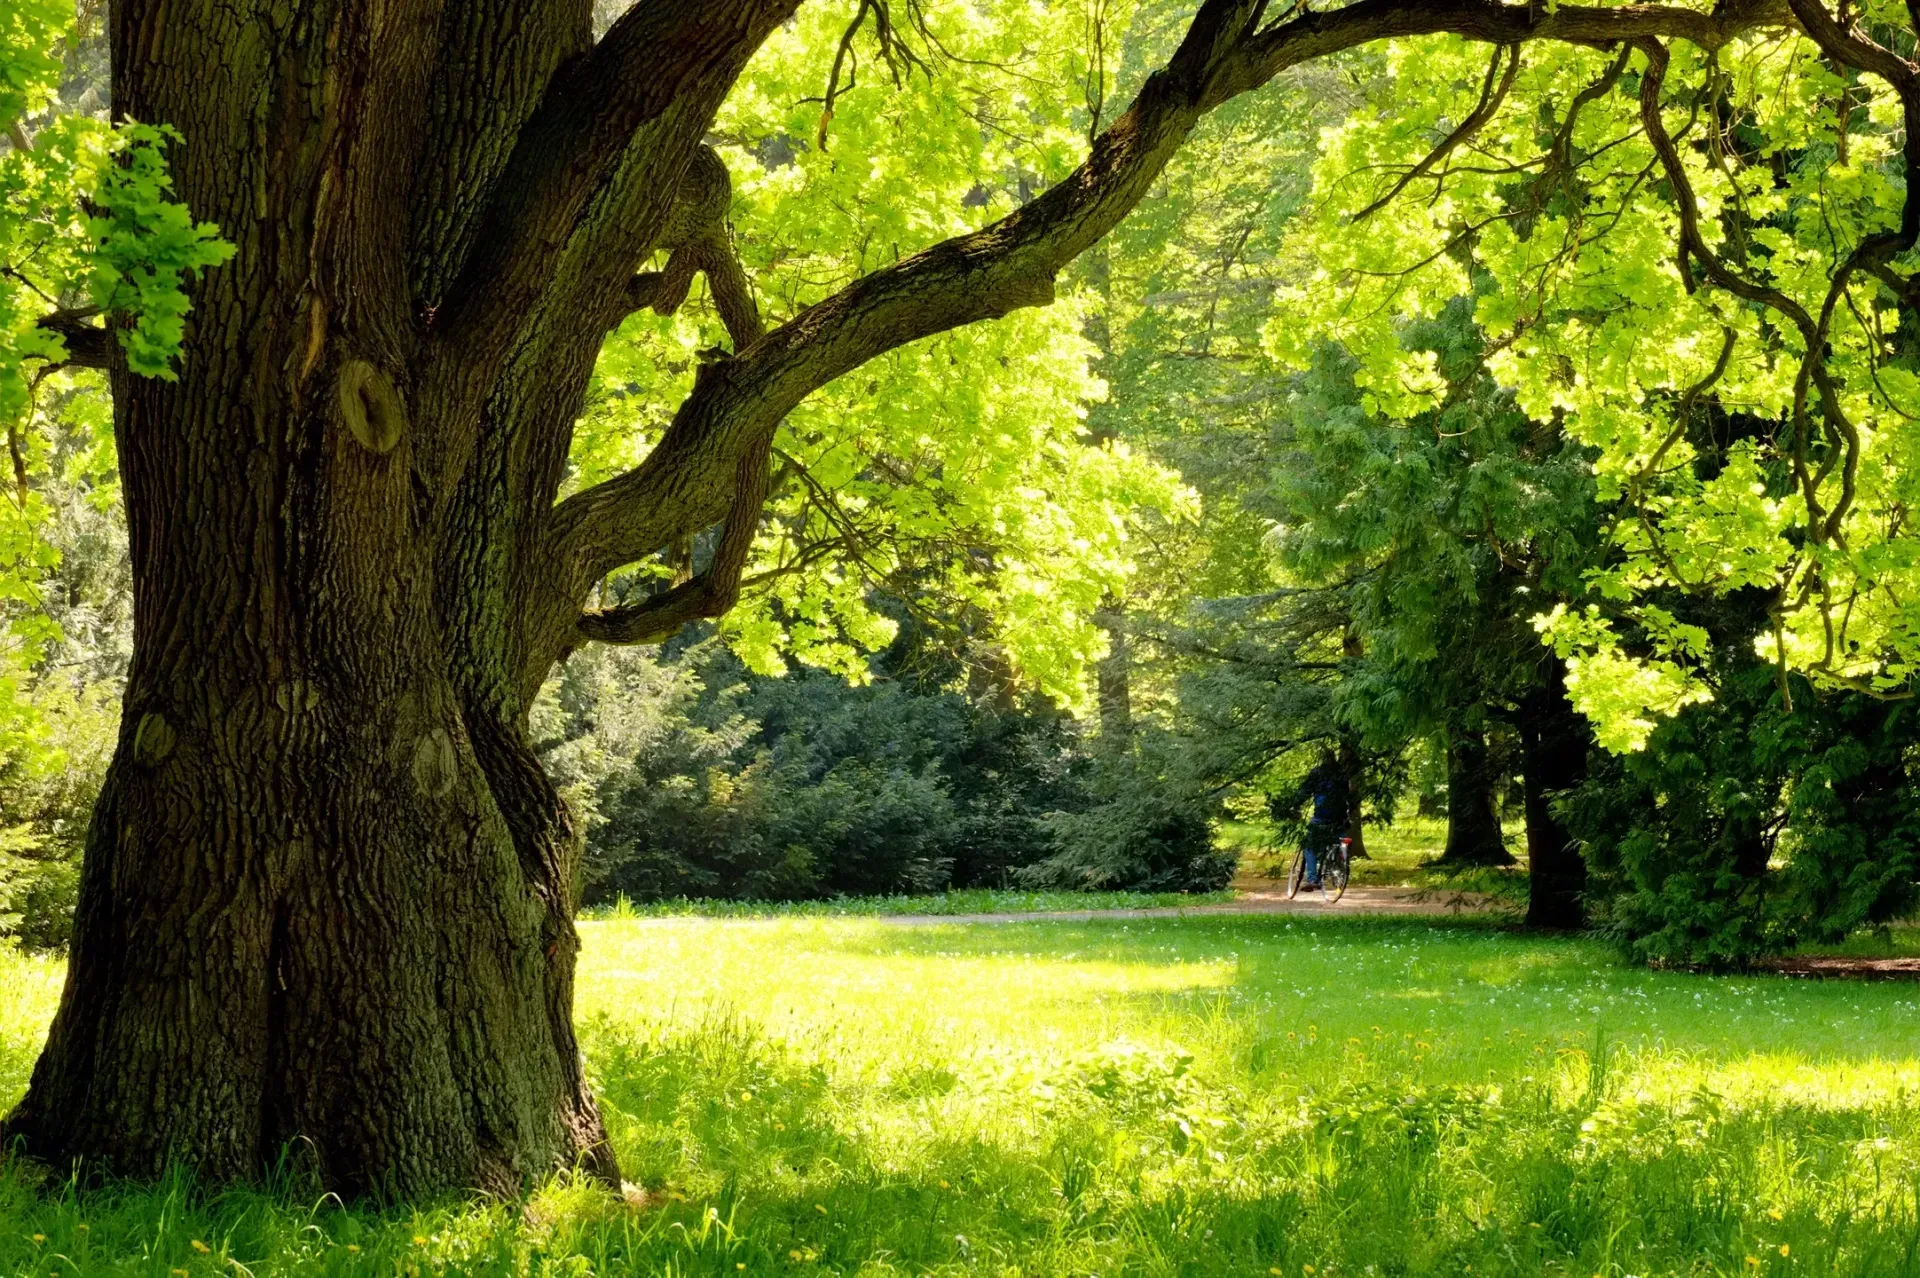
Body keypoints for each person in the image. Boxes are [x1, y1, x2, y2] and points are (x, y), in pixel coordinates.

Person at [1280, 748, 1348, 890]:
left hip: (1321, 817)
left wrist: (1295, 806)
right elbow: (1348, 795)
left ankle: (1312, 879)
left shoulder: (1317, 773)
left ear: (1322, 758)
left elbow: (1304, 792)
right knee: (1340, 838)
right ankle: (1340, 864)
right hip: (1341, 817)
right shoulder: (1342, 774)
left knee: (1309, 845)